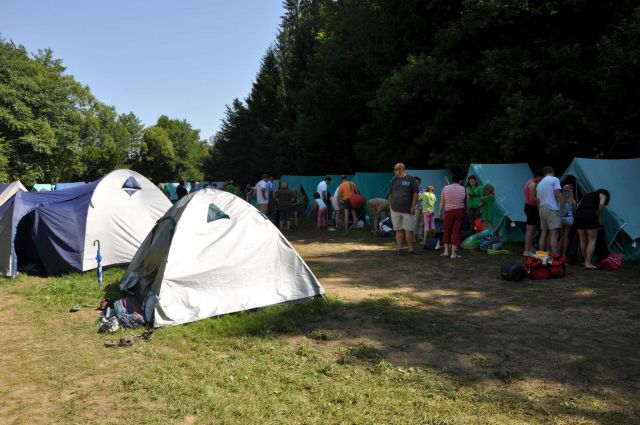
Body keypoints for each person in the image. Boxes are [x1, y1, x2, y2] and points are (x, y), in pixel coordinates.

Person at [575, 189, 610, 269]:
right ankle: (588, 263)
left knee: (582, 239)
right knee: (592, 240)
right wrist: (599, 215)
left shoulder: (587, 195)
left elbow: (577, 206)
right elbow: (601, 204)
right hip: (590, 215)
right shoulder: (603, 194)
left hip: (579, 215)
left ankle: (585, 261)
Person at [389, 163, 419, 255]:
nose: (394, 171)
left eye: (396, 169)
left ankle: (410, 249)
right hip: (395, 208)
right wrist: (389, 204)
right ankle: (399, 248)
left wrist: (413, 206)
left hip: (407, 209)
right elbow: (391, 192)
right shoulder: (394, 179)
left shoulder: (411, 179)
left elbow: (415, 193)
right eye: (394, 169)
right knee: (398, 229)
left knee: (409, 230)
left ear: (401, 169)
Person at [438, 174, 466, 259]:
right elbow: (465, 200)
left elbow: (442, 202)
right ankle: (453, 253)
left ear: (452, 180)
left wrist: (440, 212)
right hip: (459, 211)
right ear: (459, 181)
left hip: (449, 211)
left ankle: (446, 251)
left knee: (447, 230)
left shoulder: (445, 188)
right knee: (456, 231)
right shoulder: (463, 188)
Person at [536, 166, 563, 253]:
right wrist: (564, 208)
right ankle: (555, 258)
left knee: (543, 233)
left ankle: (541, 256)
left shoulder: (539, 184)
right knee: (554, 234)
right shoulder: (554, 179)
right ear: (552, 171)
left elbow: (538, 201)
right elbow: (558, 194)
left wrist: (539, 211)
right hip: (551, 208)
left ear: (544, 173)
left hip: (541, 209)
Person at [523, 169, 543, 256]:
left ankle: (529, 248)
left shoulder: (528, 181)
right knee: (530, 230)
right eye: (541, 178)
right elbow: (532, 198)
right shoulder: (533, 184)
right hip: (532, 208)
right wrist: (540, 200)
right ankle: (527, 251)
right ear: (538, 176)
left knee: (529, 229)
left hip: (528, 207)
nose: (541, 180)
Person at [559, 184, 576, 257]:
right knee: (566, 236)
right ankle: (564, 255)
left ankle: (558, 254)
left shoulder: (560, 200)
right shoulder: (573, 201)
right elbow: (574, 212)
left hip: (561, 220)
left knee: (562, 236)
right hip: (569, 220)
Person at [413, 177, 424, 241]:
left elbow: (423, 198)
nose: (417, 183)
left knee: (421, 222)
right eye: (415, 182)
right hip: (415, 207)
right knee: (415, 222)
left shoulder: (422, 189)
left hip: (422, 207)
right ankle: (413, 237)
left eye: (418, 182)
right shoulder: (411, 190)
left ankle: (419, 236)